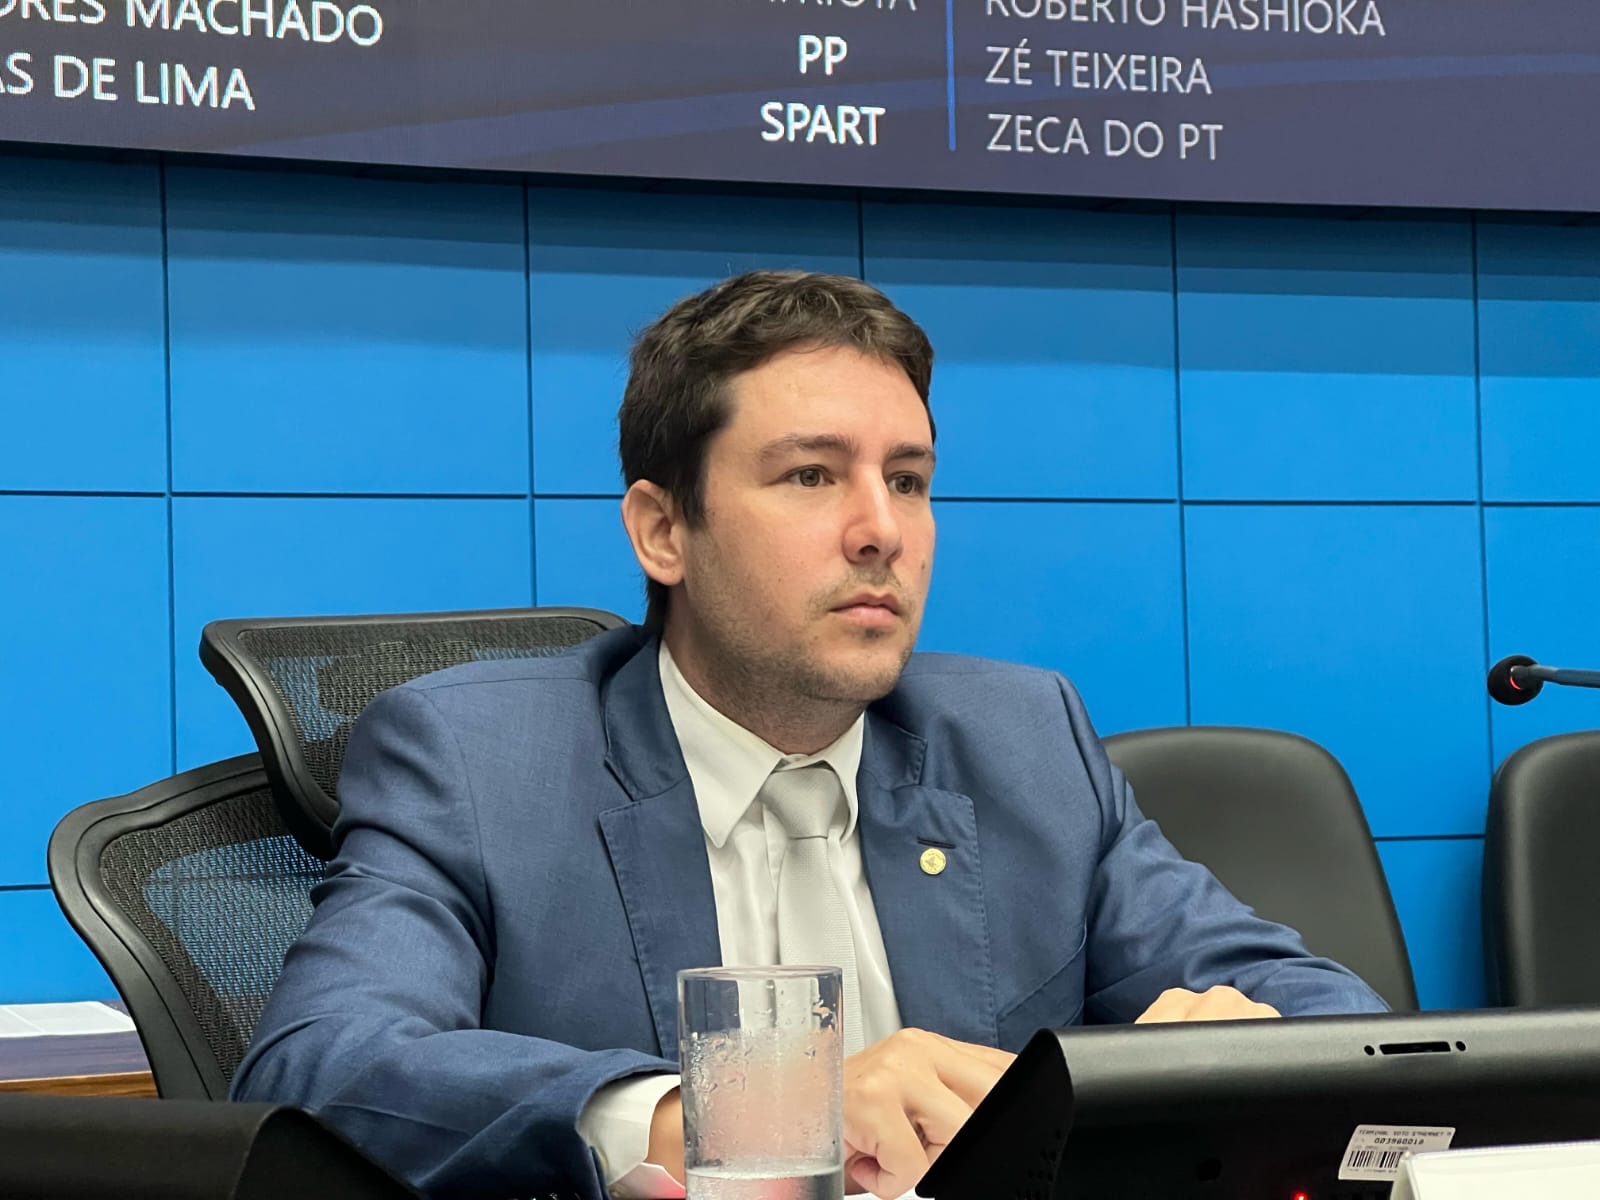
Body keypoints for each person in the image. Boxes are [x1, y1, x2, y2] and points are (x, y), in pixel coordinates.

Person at [232, 270, 1386, 1199]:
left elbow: (1334, 1018)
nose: (881, 530)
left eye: (909, 480)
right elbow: (318, 1072)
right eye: (810, 476)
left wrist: (1225, 1043)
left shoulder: (1023, 739)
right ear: (663, 531)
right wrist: (739, 1114)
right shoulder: (478, 760)